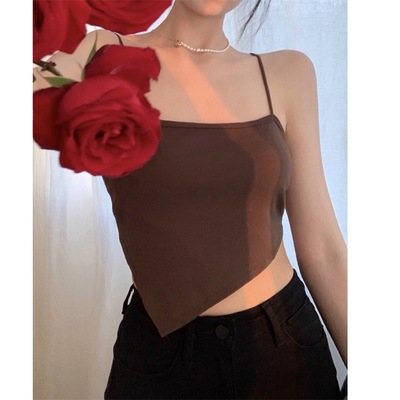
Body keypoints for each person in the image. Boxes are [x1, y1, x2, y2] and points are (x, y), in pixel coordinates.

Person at [33, 0, 347, 398]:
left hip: (281, 350)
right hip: (156, 355)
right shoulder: (100, 52)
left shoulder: (287, 72)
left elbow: (324, 250)